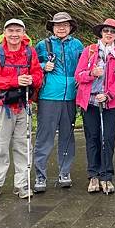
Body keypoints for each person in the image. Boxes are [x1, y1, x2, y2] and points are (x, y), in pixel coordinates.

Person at [0, 19, 43, 201]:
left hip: (24, 106)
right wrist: (16, 81)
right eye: (11, 31)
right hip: (3, 106)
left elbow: (38, 74)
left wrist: (32, 79)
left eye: (18, 31)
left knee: (23, 146)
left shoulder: (29, 52)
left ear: (24, 33)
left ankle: (22, 185)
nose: (15, 34)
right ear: (4, 33)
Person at [33, 12, 84, 193]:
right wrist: (42, 67)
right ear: (52, 27)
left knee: (67, 135)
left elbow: (83, 67)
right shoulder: (42, 45)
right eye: (57, 25)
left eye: (65, 24)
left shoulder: (77, 45)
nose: (61, 28)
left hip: (70, 96)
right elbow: (30, 66)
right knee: (44, 137)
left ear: (71, 27)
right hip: (48, 96)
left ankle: (65, 172)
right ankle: (40, 175)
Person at [75, 18, 115, 194]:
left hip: (109, 102)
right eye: (106, 31)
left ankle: (106, 175)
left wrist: (109, 95)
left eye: (112, 32)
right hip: (89, 101)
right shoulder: (89, 51)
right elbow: (78, 75)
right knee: (93, 137)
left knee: (109, 138)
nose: (109, 34)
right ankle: (93, 175)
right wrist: (92, 73)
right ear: (101, 33)